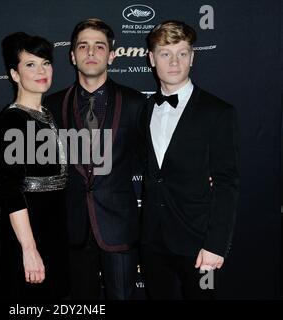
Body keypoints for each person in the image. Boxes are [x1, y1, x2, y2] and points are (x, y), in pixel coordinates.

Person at [43, 18, 146, 300]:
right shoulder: (51, 106)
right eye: (83, 46)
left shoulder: (136, 103)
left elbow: (155, 159)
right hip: (71, 229)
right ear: (72, 55)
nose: (91, 52)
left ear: (111, 55)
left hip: (119, 226)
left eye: (99, 46)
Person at [140, 20, 239, 300]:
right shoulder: (144, 110)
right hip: (152, 242)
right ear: (151, 59)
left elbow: (227, 183)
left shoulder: (218, 112)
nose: (174, 62)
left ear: (192, 57)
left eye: (182, 53)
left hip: (199, 244)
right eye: (165, 53)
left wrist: (216, 245)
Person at [0, 32, 69, 300]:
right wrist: (29, 248)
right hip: (27, 231)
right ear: (15, 74)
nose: (41, 71)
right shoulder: (12, 121)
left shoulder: (48, 114)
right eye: (30, 65)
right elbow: (10, 191)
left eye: (45, 63)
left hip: (54, 230)